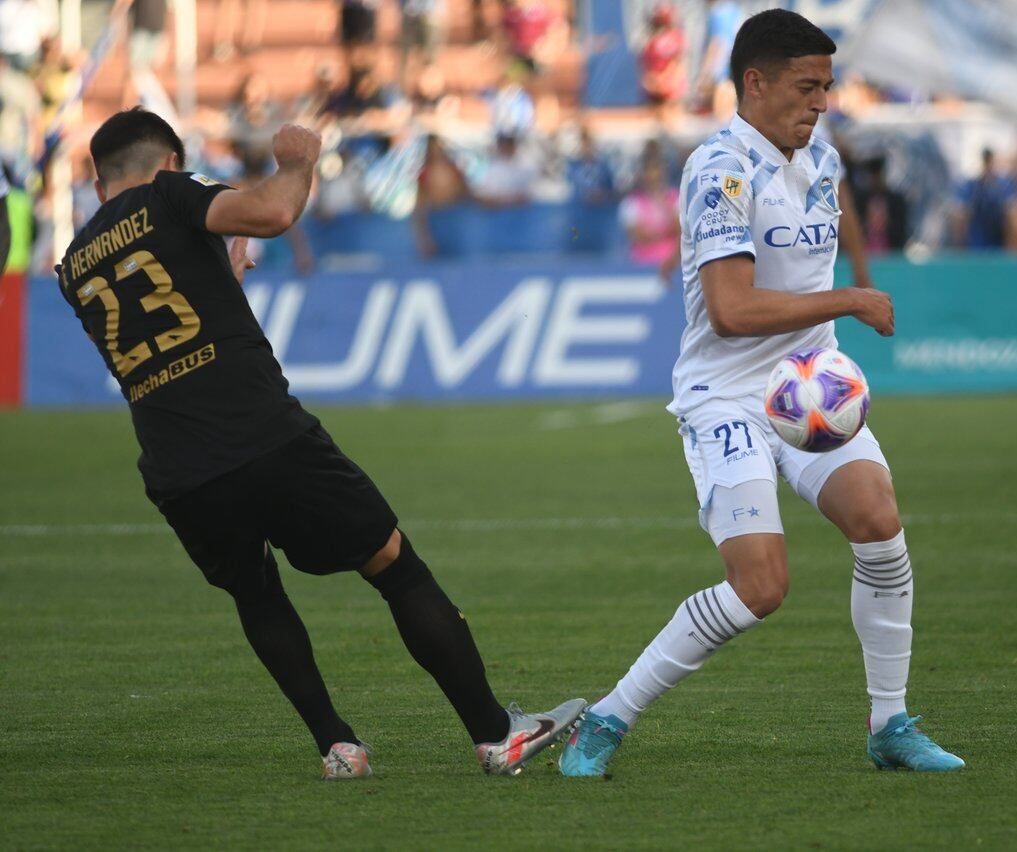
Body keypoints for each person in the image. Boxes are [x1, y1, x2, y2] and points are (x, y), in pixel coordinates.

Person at [54, 108, 584, 780]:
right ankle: (492, 733)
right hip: (263, 434)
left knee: (256, 594)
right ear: (165, 165)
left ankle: (338, 746)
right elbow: (273, 213)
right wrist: (298, 161)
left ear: (99, 187)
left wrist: (228, 276)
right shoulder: (169, 193)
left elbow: (162, 332)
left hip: (177, 466)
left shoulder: (74, 263)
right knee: (395, 566)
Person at [559, 9, 963, 778]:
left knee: (879, 522)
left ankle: (891, 723)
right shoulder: (720, 171)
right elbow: (732, 311)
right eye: (807, 87)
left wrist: (860, 274)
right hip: (728, 396)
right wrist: (848, 300)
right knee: (761, 586)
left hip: (809, 387)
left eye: (828, 88)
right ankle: (606, 720)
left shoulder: (822, 156)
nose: (821, 103)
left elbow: (836, 216)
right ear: (755, 82)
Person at [619, 151, 678, 265]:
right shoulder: (631, 203)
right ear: (642, 174)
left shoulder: (676, 198)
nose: (653, 175)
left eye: (656, 170)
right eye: (648, 171)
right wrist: (666, 229)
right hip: (642, 264)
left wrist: (664, 205)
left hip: (673, 263)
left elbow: (680, 230)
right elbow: (637, 236)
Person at [953, 148, 1017, 251]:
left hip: (999, 247)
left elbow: (1013, 213)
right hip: (975, 247)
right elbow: (960, 214)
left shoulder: (1004, 185)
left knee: (1014, 215)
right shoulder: (971, 186)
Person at [639, 4, 686, 125]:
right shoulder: (650, 39)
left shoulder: (674, 36)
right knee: (654, 123)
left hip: (670, 86)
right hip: (654, 87)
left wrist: (665, 80)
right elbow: (645, 63)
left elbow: (676, 63)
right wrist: (650, 79)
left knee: (671, 121)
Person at [850, 156, 908, 254]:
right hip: (866, 251)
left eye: (878, 175)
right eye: (872, 176)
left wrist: (886, 223)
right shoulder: (860, 200)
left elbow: (902, 229)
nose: (875, 179)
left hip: (891, 253)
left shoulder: (896, 201)